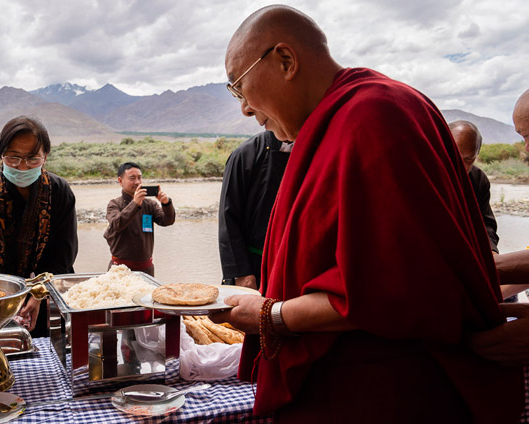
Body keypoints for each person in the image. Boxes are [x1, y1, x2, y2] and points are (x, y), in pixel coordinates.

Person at [210, 5, 523, 423]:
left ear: (286, 60)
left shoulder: (375, 115)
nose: (245, 109)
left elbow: (390, 289)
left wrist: (268, 315)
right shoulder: (337, 122)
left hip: (385, 392)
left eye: (239, 87)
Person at [0, 116, 78, 338]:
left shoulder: (59, 192)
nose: (22, 167)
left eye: (32, 159)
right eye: (13, 158)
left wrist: (38, 295)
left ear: (45, 156)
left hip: (48, 297)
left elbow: (63, 255)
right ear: (1, 155)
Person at [469, 89, 529, 365]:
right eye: (522, 138)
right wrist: (489, 277)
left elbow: (486, 223)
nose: (526, 148)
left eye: (528, 136)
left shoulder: (478, 180)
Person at [218, 128, 292, 289]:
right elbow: (227, 216)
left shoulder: (315, 150)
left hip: (293, 265)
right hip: (253, 266)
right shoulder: (245, 154)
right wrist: (242, 273)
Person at [104, 162, 175, 277]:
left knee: (146, 295)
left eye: (139, 178)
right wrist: (135, 204)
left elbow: (167, 221)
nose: (137, 182)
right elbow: (117, 224)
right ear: (120, 181)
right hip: (119, 270)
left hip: (146, 269)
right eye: (132, 178)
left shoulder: (149, 204)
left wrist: (166, 204)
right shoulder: (114, 204)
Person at [449, 120, 499, 252]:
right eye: (453, 156)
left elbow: (485, 224)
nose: (459, 165)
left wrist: (491, 252)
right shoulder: (425, 175)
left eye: (468, 160)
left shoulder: (478, 180)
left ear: (476, 156)